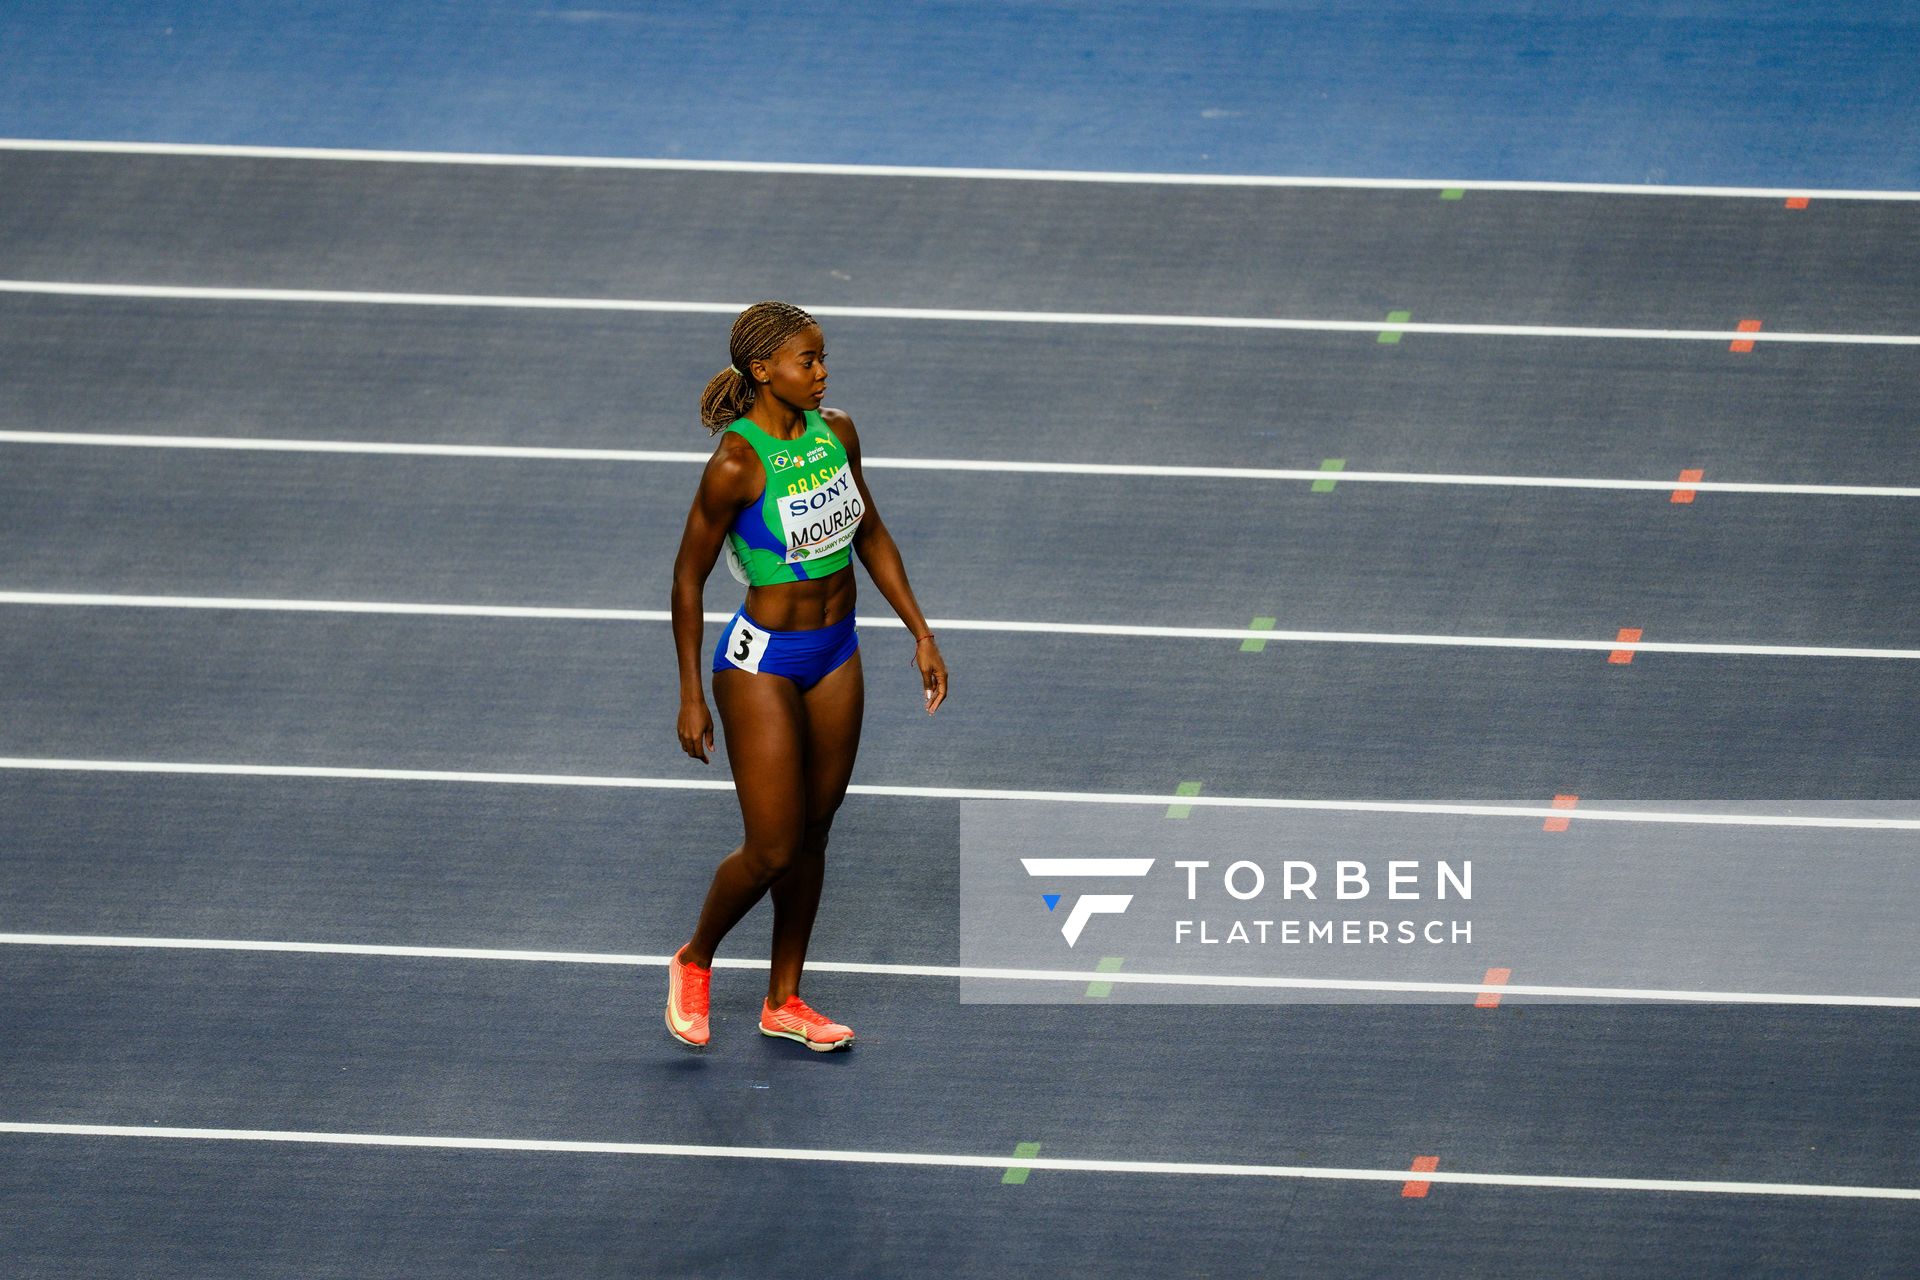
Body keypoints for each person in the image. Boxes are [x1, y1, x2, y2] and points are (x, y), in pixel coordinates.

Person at [666, 300, 948, 1051]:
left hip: (836, 652)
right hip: (761, 660)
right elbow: (687, 580)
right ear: (764, 371)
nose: (822, 374)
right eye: (808, 361)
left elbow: (871, 532)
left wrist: (921, 632)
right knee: (772, 846)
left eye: (824, 359)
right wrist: (693, 693)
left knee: (815, 834)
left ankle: (783, 999)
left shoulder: (840, 433)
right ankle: (694, 960)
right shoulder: (736, 462)